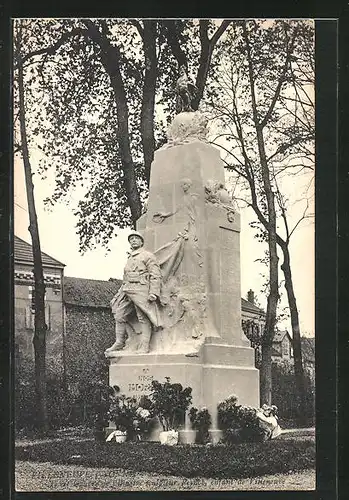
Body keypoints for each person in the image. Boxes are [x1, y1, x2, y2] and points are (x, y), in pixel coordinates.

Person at [106, 231, 162, 354]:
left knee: (143, 318)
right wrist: (117, 295)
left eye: (136, 238)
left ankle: (144, 346)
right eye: (131, 239)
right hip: (127, 291)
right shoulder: (130, 258)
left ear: (142, 242)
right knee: (119, 314)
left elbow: (155, 275)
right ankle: (119, 341)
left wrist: (153, 292)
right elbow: (125, 278)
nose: (134, 240)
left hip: (141, 290)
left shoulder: (147, 256)